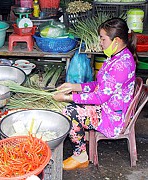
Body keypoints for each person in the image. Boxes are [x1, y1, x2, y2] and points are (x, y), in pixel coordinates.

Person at [52, 17, 137, 170]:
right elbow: (98, 85)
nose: (100, 42)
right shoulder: (115, 58)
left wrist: (67, 97)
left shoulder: (122, 65)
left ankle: (81, 155)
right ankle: (80, 146)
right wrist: (74, 86)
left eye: (103, 39)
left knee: (69, 111)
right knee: (73, 104)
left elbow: (99, 97)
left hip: (112, 116)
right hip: (106, 106)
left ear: (116, 40)